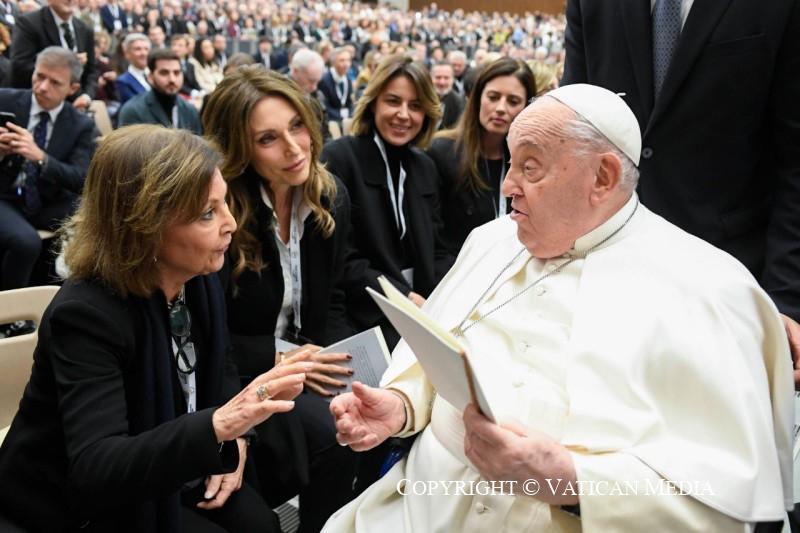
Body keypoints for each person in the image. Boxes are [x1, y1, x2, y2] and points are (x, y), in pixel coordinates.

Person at [324, 85, 791, 532]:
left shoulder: (710, 288)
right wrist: (401, 405)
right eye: (511, 163)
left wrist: (574, 482)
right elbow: (437, 353)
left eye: (530, 167)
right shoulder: (491, 241)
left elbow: (723, 497)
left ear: (603, 177)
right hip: (421, 504)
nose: (507, 185)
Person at [0, 124, 315, 532]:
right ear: (144, 229)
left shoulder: (197, 276)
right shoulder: (85, 315)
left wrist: (234, 438)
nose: (230, 223)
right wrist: (219, 425)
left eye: (223, 204)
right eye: (207, 213)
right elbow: (98, 466)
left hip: (172, 463)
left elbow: (218, 369)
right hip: (77, 506)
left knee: (262, 524)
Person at [561, 1, 800, 383]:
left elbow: (795, 163)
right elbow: (573, 131)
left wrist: (786, 302)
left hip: (729, 286)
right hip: (606, 277)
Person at [203, 66, 359, 532]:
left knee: (381, 410)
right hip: (242, 373)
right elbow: (207, 331)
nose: (294, 148)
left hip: (301, 361)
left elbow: (329, 300)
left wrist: (340, 360)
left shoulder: (328, 196)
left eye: (297, 127)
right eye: (269, 138)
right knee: (336, 433)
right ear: (241, 150)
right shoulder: (224, 215)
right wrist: (281, 360)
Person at [321, 54, 451, 347]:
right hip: (366, 313)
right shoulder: (340, 159)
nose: (403, 114)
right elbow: (344, 261)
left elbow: (438, 250)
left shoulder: (425, 166)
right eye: (393, 101)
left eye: (415, 106)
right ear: (373, 103)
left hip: (422, 308)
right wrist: (402, 298)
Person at [0, 47, 97, 290]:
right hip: (5, 195)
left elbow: (81, 179)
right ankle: (12, 316)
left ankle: (70, 299)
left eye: (54, 82)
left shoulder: (81, 124)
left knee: (102, 217)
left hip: (46, 199)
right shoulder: (5, 100)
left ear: (73, 88)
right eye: (39, 76)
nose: (42, 87)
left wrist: (41, 158)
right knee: (26, 242)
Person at [428, 57, 535, 256]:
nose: (501, 108)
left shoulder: (530, 162)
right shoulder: (441, 152)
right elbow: (434, 243)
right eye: (493, 97)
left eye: (513, 101)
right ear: (477, 99)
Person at [9, 0, 99, 111]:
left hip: (74, 109)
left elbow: (92, 71)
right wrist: (63, 66)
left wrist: (86, 96)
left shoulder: (84, 30)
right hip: (36, 105)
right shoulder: (29, 23)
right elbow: (20, 66)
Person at [118, 48, 202, 134]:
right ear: (150, 77)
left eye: (176, 73)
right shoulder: (133, 111)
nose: (172, 79)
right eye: (164, 73)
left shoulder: (190, 110)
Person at [317, 46, 354, 123]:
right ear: (333, 62)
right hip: (332, 121)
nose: (346, 64)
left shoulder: (347, 79)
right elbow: (324, 107)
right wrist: (341, 115)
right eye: (342, 60)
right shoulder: (324, 80)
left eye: (348, 60)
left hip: (346, 119)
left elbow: (350, 102)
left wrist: (349, 114)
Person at [115, 33, 151, 106]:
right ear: (127, 54)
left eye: (146, 49)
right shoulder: (123, 82)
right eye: (138, 49)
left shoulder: (158, 75)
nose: (143, 53)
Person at [429, 60, 464, 131]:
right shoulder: (421, 97)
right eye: (438, 77)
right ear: (430, 78)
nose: (442, 82)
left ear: (453, 79)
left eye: (446, 78)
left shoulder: (458, 102)